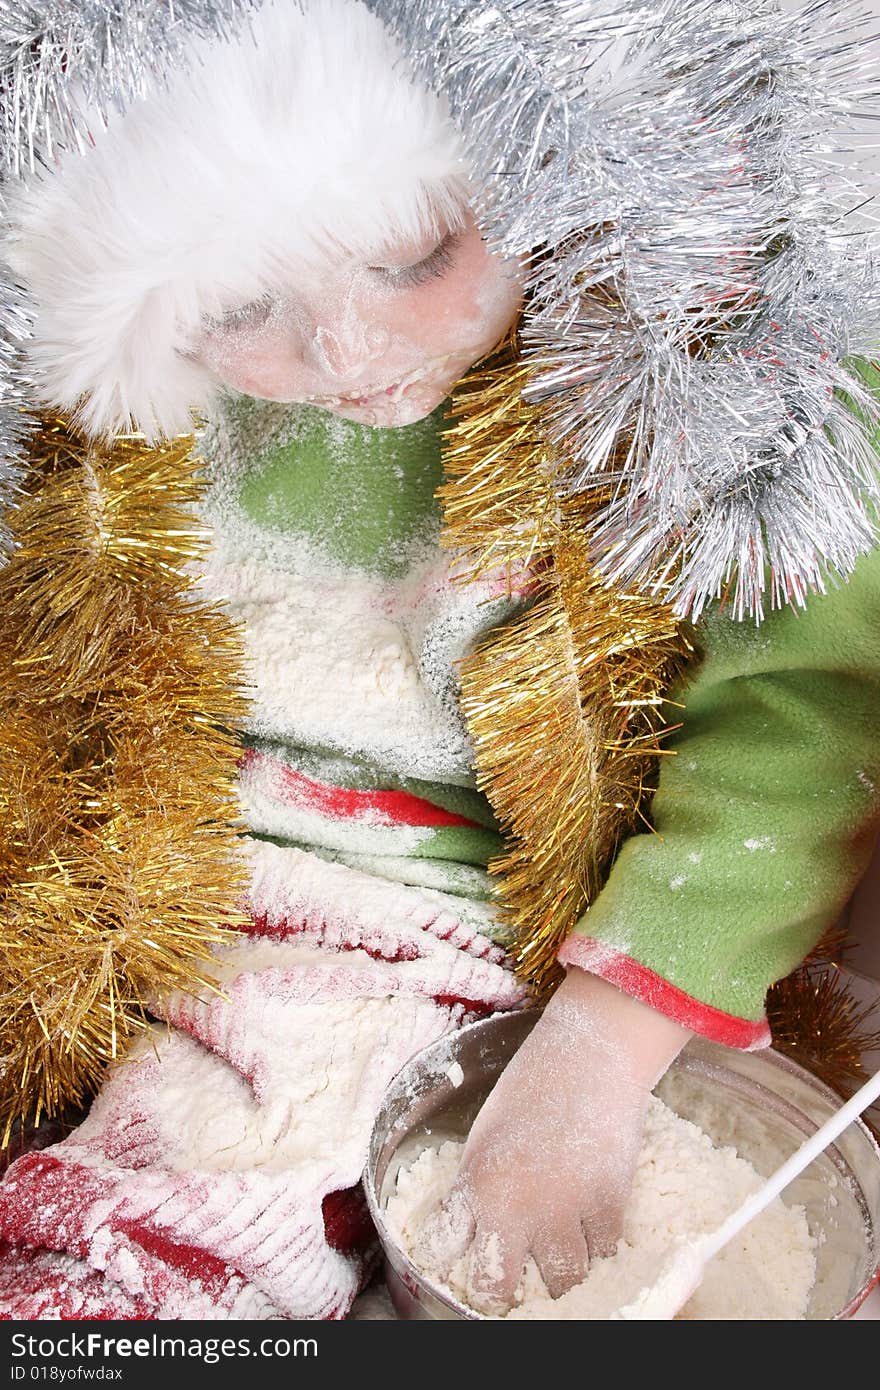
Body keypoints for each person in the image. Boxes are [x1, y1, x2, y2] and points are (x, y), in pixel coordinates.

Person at [0, 0, 878, 1319]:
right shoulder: (95, 386)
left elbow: (805, 718)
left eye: (414, 254)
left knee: (217, 1182)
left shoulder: (704, 371)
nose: (350, 359)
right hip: (125, 857)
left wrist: (603, 1037)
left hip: (459, 913)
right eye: (242, 301)